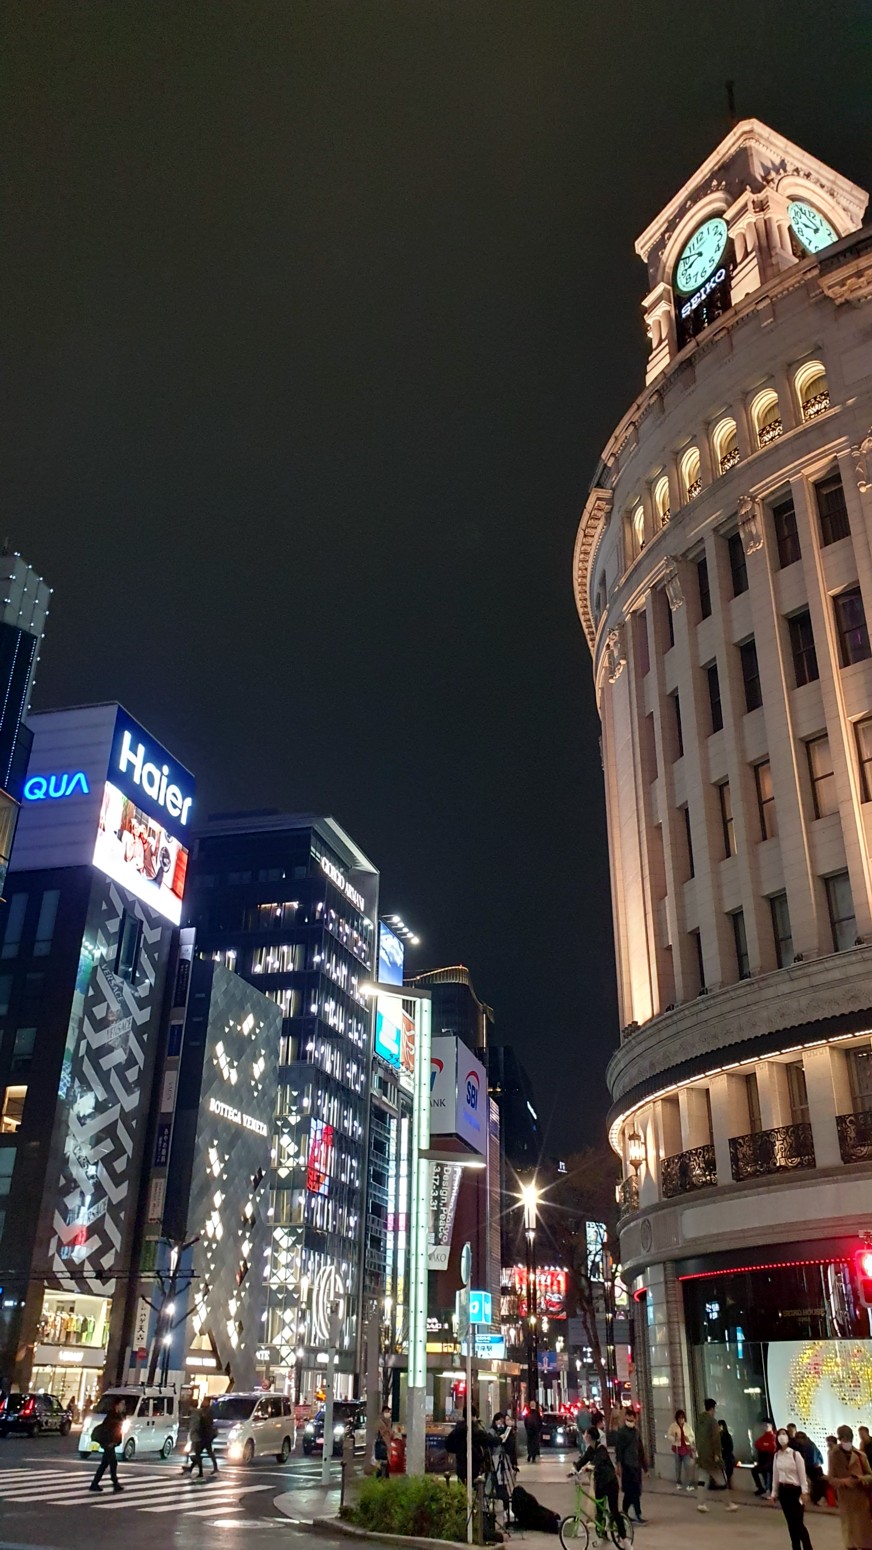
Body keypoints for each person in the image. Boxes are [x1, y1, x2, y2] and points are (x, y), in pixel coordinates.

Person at [573, 1426, 628, 1543]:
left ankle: (625, 1539)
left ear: (589, 1436)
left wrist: (589, 1467)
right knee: (599, 1510)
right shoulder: (590, 1450)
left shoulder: (601, 1449)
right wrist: (573, 1470)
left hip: (610, 1483)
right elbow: (582, 1461)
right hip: (600, 1484)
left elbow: (598, 1461)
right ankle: (602, 1533)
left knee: (614, 1510)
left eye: (586, 1434)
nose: (584, 1436)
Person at [828, 1425, 872, 1550]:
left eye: (848, 1439)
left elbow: (870, 1475)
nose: (846, 1441)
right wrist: (844, 1481)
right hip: (845, 1500)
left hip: (861, 1500)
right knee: (850, 1536)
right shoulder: (834, 1455)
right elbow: (831, 1479)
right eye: (844, 1439)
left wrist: (860, 1478)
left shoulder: (860, 1455)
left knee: (864, 1536)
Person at [770, 1427, 813, 1550]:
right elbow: (775, 1475)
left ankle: (808, 1547)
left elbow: (802, 1475)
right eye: (779, 1434)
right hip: (784, 1492)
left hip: (795, 1491)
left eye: (784, 1434)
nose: (782, 1436)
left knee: (798, 1523)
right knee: (790, 1523)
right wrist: (774, 1493)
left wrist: (804, 1491)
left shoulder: (795, 1454)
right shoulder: (777, 1456)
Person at [695, 1397, 738, 1513]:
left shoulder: (699, 1421)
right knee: (721, 1481)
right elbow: (715, 1439)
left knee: (702, 1480)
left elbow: (697, 1437)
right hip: (711, 1457)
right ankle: (728, 1504)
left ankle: (701, 1503)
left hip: (702, 1455)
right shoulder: (712, 1422)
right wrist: (717, 1454)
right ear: (712, 1408)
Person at [615, 1408, 648, 1524]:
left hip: (636, 1466)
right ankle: (638, 1514)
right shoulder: (621, 1433)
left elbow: (641, 1450)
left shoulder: (636, 1432)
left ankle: (624, 1513)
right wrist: (618, 1465)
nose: (630, 1421)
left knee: (632, 1492)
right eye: (628, 1419)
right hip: (627, 1466)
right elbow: (618, 1450)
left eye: (632, 1419)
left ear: (635, 1419)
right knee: (633, 1491)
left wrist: (645, 1468)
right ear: (625, 1418)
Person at [445, 1406, 489, 1486]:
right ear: (473, 1416)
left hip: (461, 1463)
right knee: (474, 1485)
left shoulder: (457, 1429)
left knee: (462, 1485)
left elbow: (448, 1444)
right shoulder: (474, 1429)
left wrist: (458, 1450)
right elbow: (487, 1439)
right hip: (474, 1463)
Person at [89, 1398, 125, 1494]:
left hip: (110, 1443)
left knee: (104, 1464)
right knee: (113, 1463)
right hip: (108, 1443)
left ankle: (94, 1484)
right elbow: (109, 1430)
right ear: (117, 1405)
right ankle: (115, 1484)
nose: (123, 1406)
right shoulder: (112, 1415)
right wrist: (110, 1442)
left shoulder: (116, 1415)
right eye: (122, 1404)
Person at [793, 1432, 826, 1506]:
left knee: (816, 1483)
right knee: (815, 1483)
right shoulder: (806, 1444)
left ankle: (817, 1499)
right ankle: (815, 1499)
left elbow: (812, 1459)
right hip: (812, 1466)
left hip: (813, 1467)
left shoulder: (809, 1446)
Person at [667, 1408, 695, 1491]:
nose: (681, 1419)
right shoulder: (673, 1426)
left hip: (686, 1448)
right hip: (677, 1448)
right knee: (678, 1467)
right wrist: (674, 1439)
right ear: (677, 1418)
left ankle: (689, 1484)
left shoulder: (687, 1426)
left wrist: (688, 1439)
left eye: (682, 1418)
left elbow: (692, 1436)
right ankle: (678, 1482)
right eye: (679, 1418)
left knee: (687, 1466)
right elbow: (669, 1435)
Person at [752, 1419, 778, 1496]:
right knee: (755, 1471)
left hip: (771, 1461)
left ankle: (769, 1489)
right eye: (763, 1425)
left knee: (765, 1470)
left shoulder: (773, 1437)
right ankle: (761, 1488)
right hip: (763, 1461)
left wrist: (764, 1446)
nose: (765, 1427)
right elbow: (757, 1444)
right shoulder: (763, 1437)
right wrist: (765, 1446)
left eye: (766, 1425)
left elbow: (772, 1447)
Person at [198, 1397, 218, 1478]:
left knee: (199, 1453)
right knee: (207, 1452)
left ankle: (197, 1471)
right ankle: (215, 1467)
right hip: (206, 1435)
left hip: (206, 1436)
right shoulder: (206, 1411)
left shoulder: (207, 1412)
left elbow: (207, 1423)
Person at [374, 1405, 393, 1479]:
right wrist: (387, 1428)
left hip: (387, 1445)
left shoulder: (389, 1422)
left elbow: (391, 1433)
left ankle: (385, 1476)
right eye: (386, 1411)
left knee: (386, 1462)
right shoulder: (379, 1422)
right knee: (380, 1462)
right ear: (382, 1413)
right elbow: (380, 1432)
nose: (387, 1413)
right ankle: (379, 1477)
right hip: (381, 1444)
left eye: (388, 1412)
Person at [718, 1418, 736, 1490]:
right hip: (721, 1456)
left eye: (719, 1426)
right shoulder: (717, 1436)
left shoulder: (727, 1436)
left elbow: (730, 1448)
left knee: (727, 1465)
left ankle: (727, 1483)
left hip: (726, 1456)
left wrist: (722, 1450)